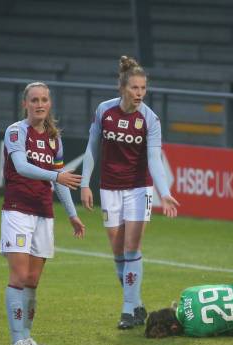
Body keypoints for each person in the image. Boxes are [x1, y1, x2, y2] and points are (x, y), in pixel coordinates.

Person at [81, 56, 179, 330]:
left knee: (131, 247)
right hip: (109, 188)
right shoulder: (104, 111)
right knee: (117, 252)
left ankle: (126, 310)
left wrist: (165, 192)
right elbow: (91, 148)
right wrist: (85, 183)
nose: (139, 94)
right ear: (122, 88)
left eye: (143, 88)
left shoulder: (150, 119)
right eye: (134, 88)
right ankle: (136, 305)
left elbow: (154, 160)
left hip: (138, 188)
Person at [0, 82, 85, 345]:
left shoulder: (53, 138)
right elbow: (23, 167)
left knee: (33, 280)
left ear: (50, 104)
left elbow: (59, 181)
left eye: (44, 100)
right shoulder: (16, 131)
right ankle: (16, 341)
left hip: (43, 213)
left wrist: (72, 215)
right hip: (18, 209)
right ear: (25, 104)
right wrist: (55, 175)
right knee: (19, 276)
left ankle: (27, 337)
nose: (39, 104)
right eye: (34, 100)